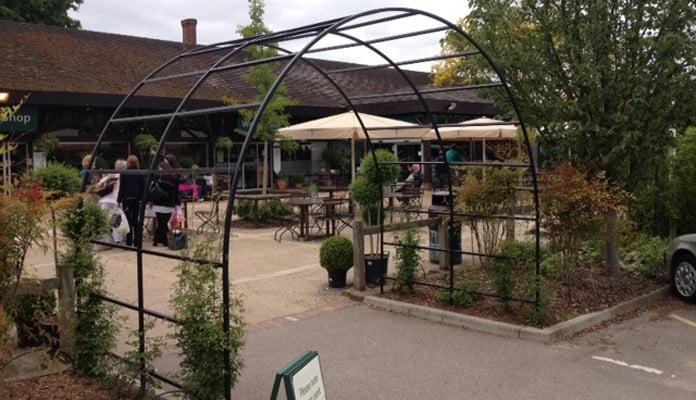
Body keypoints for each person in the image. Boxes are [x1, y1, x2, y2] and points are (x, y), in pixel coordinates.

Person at [94, 159, 125, 248]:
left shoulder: (111, 175)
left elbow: (99, 184)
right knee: (115, 220)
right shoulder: (122, 176)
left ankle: (105, 239)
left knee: (103, 219)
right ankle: (117, 240)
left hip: (105, 199)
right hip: (116, 200)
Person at [148, 161, 179, 247]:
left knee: (161, 222)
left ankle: (158, 239)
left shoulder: (157, 177)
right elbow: (176, 192)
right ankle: (162, 240)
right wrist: (176, 203)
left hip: (158, 202)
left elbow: (152, 190)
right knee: (164, 222)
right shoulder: (173, 177)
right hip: (169, 203)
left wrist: (151, 200)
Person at [117, 155, 145, 246]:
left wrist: (119, 200)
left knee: (128, 220)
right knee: (136, 221)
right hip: (137, 199)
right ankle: (137, 242)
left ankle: (129, 242)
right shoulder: (140, 173)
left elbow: (122, 188)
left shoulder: (124, 173)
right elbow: (143, 187)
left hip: (127, 199)